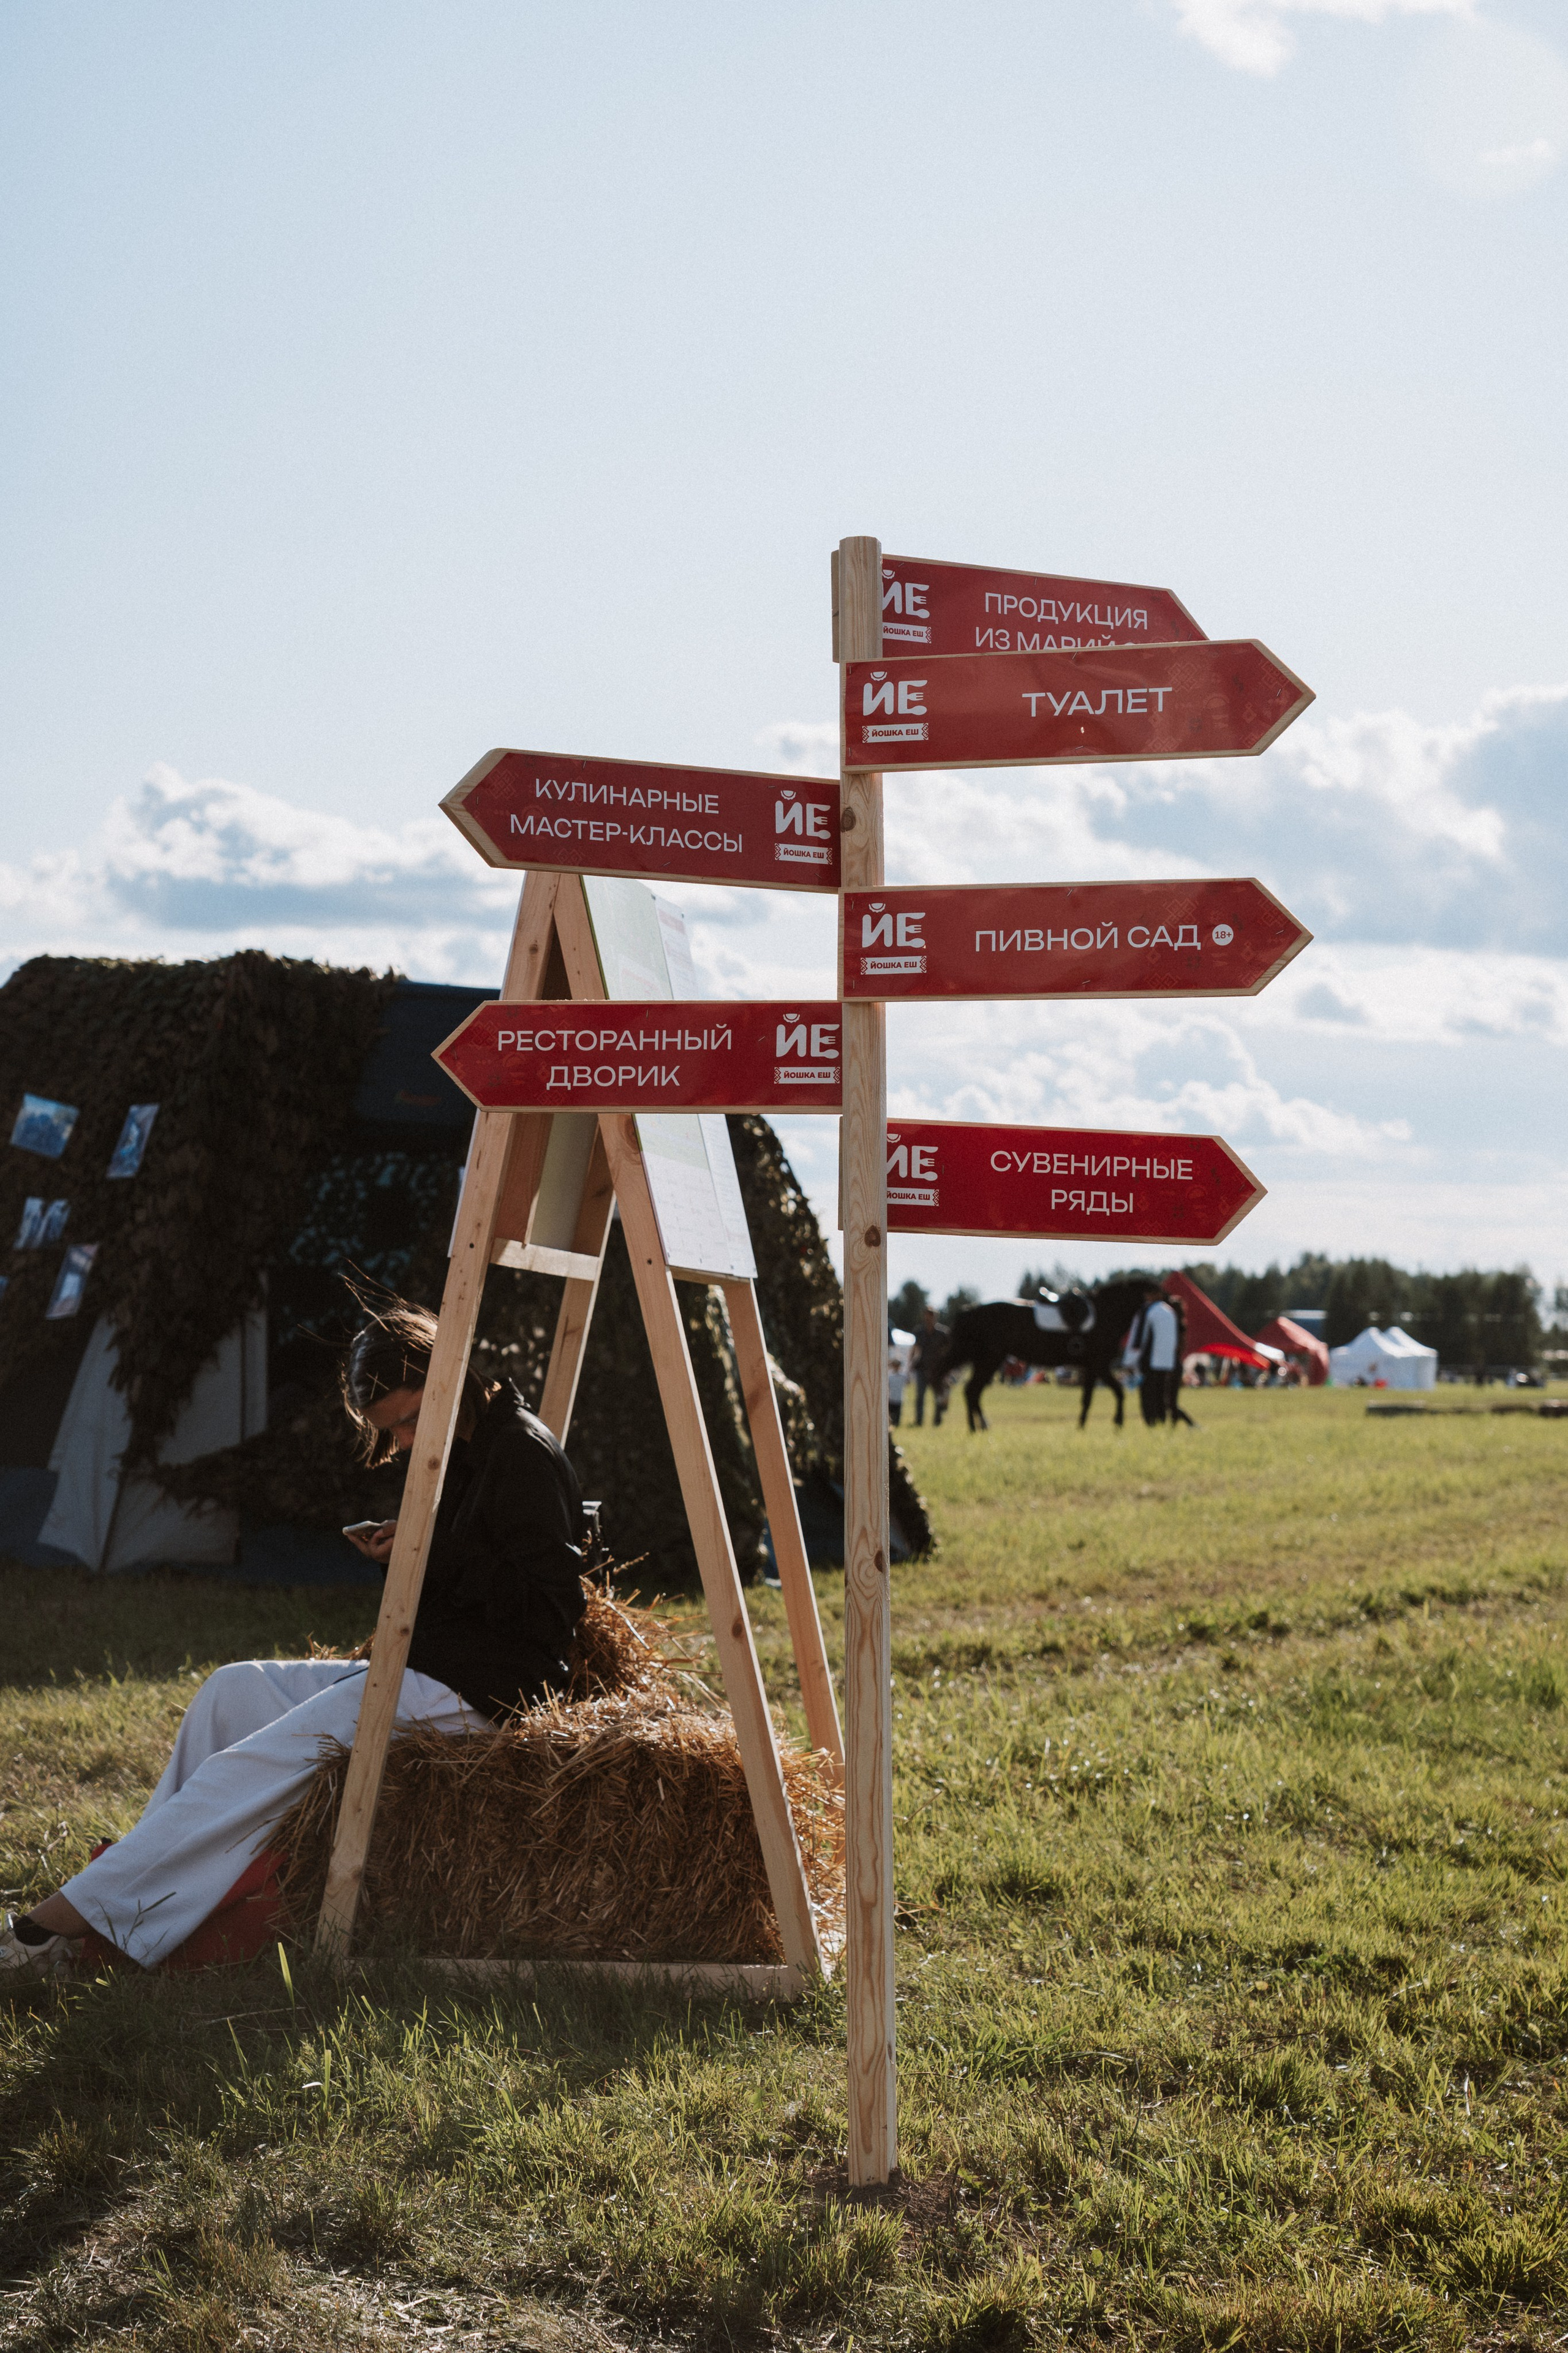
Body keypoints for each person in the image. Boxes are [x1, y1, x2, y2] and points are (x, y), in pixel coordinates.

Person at [2, 1298, 587, 1981]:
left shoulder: (519, 1454)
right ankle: (135, 1904)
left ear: (450, 1372)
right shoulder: (457, 1442)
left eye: (406, 1418)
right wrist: (415, 1552)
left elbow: (552, 1614)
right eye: (389, 1428)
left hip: (485, 1690)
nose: (399, 1441)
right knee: (231, 1692)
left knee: (246, 1768)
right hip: (430, 1666)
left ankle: (58, 1927)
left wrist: (431, 1553)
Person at [910, 1306, 949, 1427]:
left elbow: (948, 1350)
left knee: (938, 1396)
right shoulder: (919, 1332)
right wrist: (911, 1362)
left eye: (931, 1316)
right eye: (927, 1315)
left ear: (935, 1317)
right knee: (920, 1397)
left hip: (937, 1370)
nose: (929, 1318)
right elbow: (915, 1348)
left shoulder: (942, 1333)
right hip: (922, 1368)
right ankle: (919, 1421)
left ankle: (937, 1421)